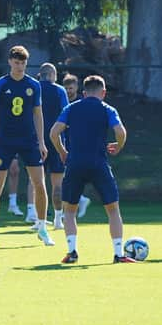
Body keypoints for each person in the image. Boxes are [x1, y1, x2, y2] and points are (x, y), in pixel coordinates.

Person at [50, 75, 135, 263]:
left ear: (83, 92)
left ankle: (72, 252)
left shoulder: (71, 108)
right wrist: (118, 146)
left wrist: (63, 152)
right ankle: (118, 254)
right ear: (103, 92)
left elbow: (54, 133)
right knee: (113, 210)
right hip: (99, 164)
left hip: (75, 164)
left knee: (70, 211)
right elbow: (121, 132)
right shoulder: (107, 109)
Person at [0, 45, 54, 248]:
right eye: (16, 62)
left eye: (23, 63)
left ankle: (42, 228)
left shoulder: (34, 85)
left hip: (29, 140)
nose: (20, 66)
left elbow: (38, 114)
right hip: (5, 141)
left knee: (39, 184)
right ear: (10, 62)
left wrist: (41, 141)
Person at [26, 63, 69, 230]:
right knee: (57, 183)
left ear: (40, 75)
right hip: (56, 140)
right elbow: (66, 115)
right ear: (52, 75)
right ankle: (58, 219)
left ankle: (38, 219)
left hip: (36, 141)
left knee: (37, 181)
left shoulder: (33, 89)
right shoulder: (59, 91)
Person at [61, 73, 91, 218]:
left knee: (66, 176)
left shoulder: (81, 102)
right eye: (66, 88)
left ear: (77, 88)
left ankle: (72, 204)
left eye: (71, 88)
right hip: (63, 142)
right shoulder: (62, 102)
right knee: (63, 177)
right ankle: (80, 200)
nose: (68, 91)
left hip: (76, 144)